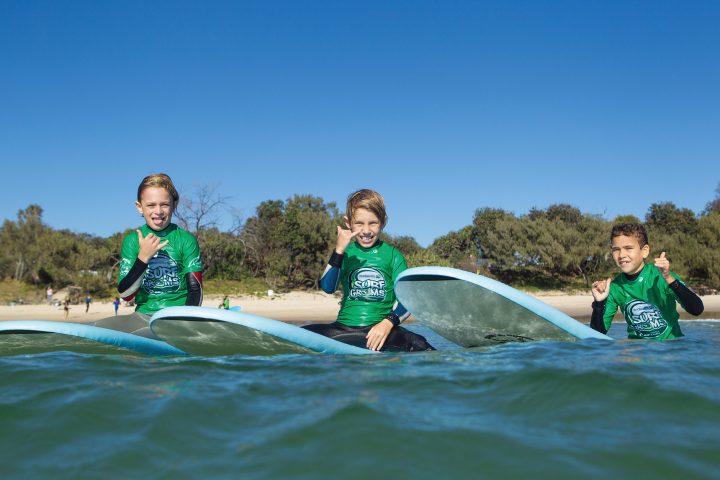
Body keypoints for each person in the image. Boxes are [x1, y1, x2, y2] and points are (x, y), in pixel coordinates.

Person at [302, 189, 434, 352]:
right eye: (359, 223)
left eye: (373, 223)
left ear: (383, 221)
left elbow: (408, 300)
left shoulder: (393, 255)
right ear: (348, 222)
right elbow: (328, 287)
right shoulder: (346, 252)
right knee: (297, 334)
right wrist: (339, 250)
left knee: (420, 344)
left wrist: (387, 323)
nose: (366, 231)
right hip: (342, 329)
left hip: (379, 330)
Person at [95, 173, 203, 335]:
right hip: (143, 317)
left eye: (165, 204)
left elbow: (196, 291)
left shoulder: (186, 240)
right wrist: (143, 258)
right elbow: (126, 295)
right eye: (151, 205)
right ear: (139, 207)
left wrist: (182, 323)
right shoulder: (132, 241)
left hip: (178, 316)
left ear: (174, 204)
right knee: (97, 328)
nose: (158, 211)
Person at [590, 223, 704, 339]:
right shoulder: (615, 287)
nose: (621, 255)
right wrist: (599, 303)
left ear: (644, 251)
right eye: (616, 250)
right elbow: (597, 335)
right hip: (638, 352)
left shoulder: (661, 277)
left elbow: (697, 309)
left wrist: (669, 279)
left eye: (628, 248)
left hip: (670, 350)